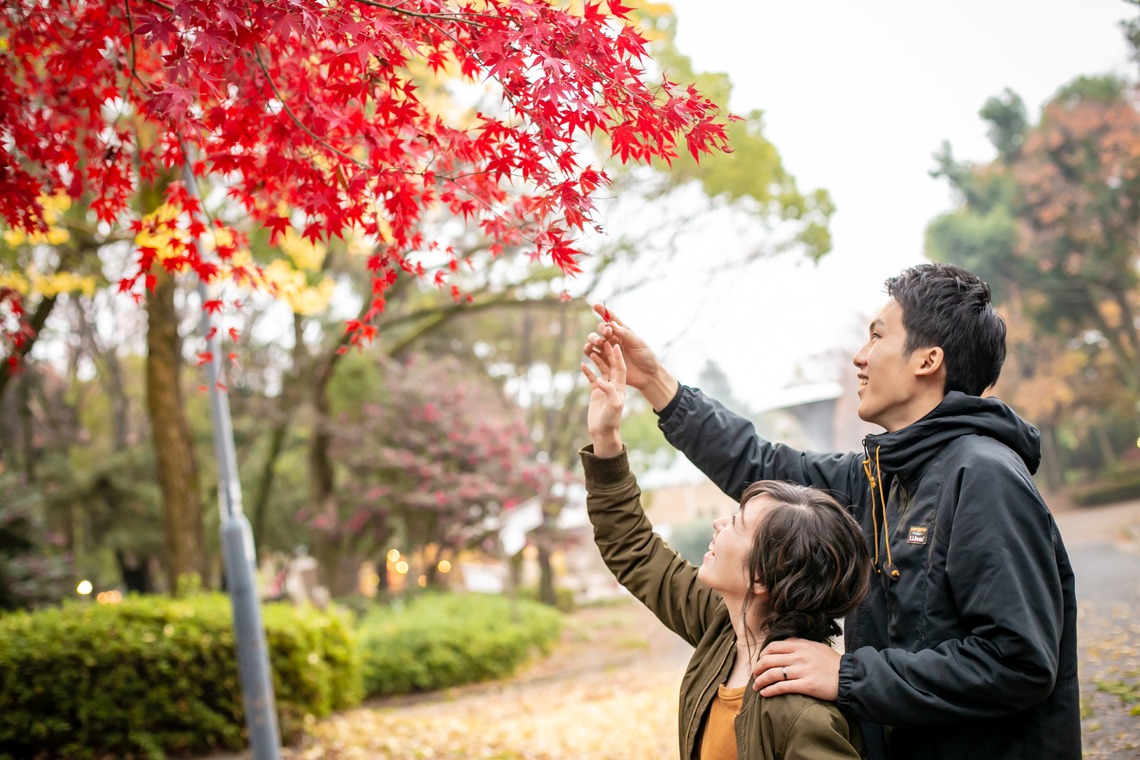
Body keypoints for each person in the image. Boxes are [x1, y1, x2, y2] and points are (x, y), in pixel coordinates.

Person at [583, 263, 1080, 760]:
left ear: (927, 360)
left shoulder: (984, 476)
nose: (860, 358)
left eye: (877, 337)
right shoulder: (875, 476)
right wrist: (654, 383)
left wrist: (847, 675)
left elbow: (1020, 663)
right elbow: (761, 466)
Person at [580, 340, 872, 759]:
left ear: (761, 577)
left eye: (737, 523)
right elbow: (634, 549)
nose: (719, 523)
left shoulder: (803, 712)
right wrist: (606, 438)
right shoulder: (722, 630)